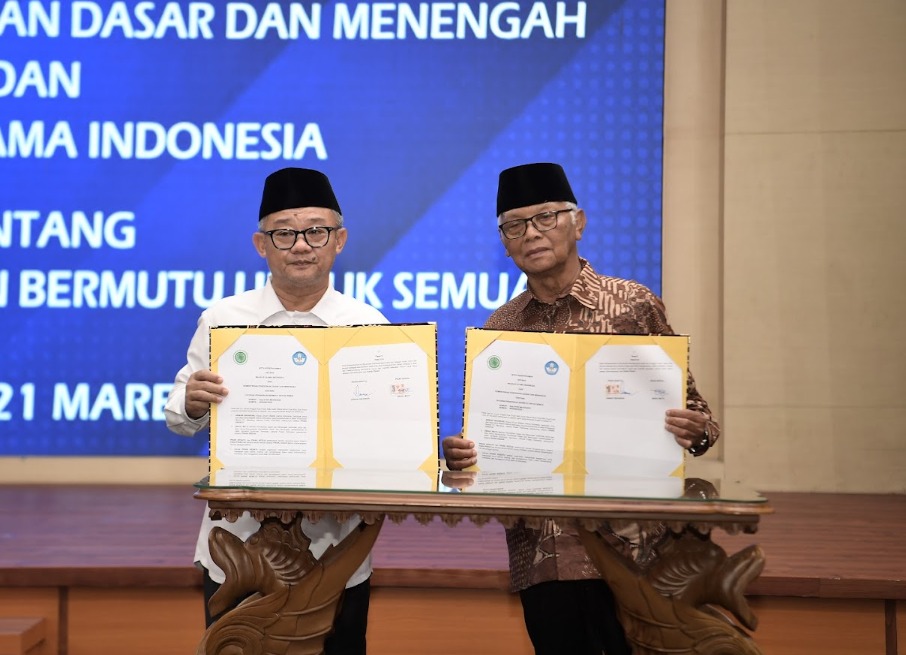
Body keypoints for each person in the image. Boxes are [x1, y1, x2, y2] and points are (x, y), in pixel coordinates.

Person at [442, 162, 720, 655]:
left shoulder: (631, 305)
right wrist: (466, 455)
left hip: (631, 548)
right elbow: (488, 441)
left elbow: (699, 418)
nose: (531, 233)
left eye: (546, 217)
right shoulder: (500, 327)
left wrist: (693, 428)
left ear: (578, 222)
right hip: (541, 554)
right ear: (504, 242)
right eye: (515, 225)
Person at [165, 167, 387, 654]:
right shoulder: (223, 319)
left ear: (340, 240)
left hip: (337, 550)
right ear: (261, 244)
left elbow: (389, 429)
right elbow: (179, 418)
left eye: (316, 231)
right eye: (284, 233)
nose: (301, 245)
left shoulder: (370, 325)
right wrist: (191, 400)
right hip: (237, 551)